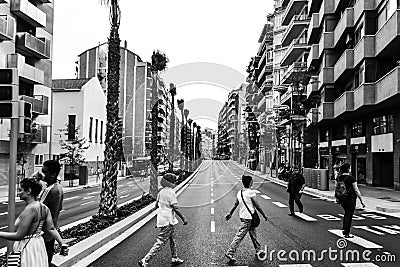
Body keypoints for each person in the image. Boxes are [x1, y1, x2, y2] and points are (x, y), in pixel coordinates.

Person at [0, 178, 67, 267]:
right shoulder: (44, 208)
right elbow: (51, 228)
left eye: (20, 190)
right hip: (38, 245)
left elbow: (19, 235)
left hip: (28, 248)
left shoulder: (30, 209)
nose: (18, 193)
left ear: (29, 191)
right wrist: (62, 243)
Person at [138, 173, 188, 267]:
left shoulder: (161, 192)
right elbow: (175, 208)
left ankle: (175, 257)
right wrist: (183, 218)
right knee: (160, 242)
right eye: (174, 182)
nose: (175, 183)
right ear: (170, 183)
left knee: (172, 239)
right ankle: (145, 260)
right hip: (168, 220)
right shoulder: (171, 192)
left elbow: (156, 205)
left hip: (162, 219)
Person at [225, 175, 268, 262]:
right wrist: (264, 214)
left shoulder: (239, 192)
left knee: (253, 233)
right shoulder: (251, 193)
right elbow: (257, 205)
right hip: (249, 217)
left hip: (243, 216)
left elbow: (236, 204)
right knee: (239, 236)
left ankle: (259, 250)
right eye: (252, 181)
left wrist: (230, 213)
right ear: (250, 182)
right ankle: (230, 252)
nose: (252, 182)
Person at [40, 160, 64, 265]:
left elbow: (38, 208)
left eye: (45, 172)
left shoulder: (53, 190)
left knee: (43, 262)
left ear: (53, 174)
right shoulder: (54, 187)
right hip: (48, 232)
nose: (42, 175)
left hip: (45, 234)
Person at [336, 163, 365, 238]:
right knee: (349, 214)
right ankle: (346, 232)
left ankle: (344, 229)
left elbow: (337, 189)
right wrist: (361, 200)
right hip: (350, 199)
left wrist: (337, 198)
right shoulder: (351, 178)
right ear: (348, 169)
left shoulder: (338, 177)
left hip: (342, 199)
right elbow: (356, 190)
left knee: (346, 213)